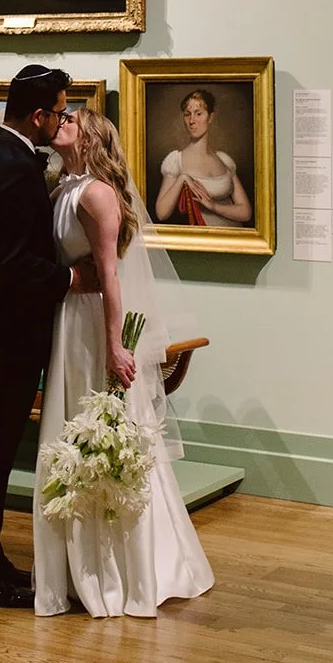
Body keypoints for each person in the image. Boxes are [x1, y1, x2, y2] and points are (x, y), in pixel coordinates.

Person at [34, 107, 214, 617]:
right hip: (70, 322)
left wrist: (116, 346)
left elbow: (111, 277)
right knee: (75, 431)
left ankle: (125, 571)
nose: (62, 120)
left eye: (72, 118)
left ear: (90, 137)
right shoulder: (63, 189)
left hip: (93, 324)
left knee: (106, 427)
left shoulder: (96, 193)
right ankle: (75, 563)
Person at [0, 63, 97, 609]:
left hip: (4, 326)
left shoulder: (3, 153)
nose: (63, 120)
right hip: (10, 331)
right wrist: (72, 278)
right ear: (38, 116)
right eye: (60, 112)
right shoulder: (14, 166)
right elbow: (17, 264)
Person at [155, 89, 252, 229]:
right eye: (187, 114)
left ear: (210, 117)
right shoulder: (176, 161)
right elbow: (161, 213)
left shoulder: (224, 160)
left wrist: (213, 206)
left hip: (236, 239)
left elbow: (246, 212)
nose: (192, 121)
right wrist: (182, 178)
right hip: (205, 242)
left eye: (199, 114)